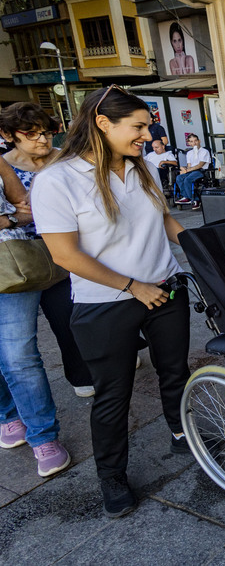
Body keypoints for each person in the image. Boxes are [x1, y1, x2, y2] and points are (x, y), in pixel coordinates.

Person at [33, 85, 192, 519]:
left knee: (175, 371)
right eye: (137, 127)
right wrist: (131, 286)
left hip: (165, 287)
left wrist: (205, 251)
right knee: (113, 394)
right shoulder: (57, 180)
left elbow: (164, 219)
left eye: (147, 126)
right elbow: (65, 255)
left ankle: (184, 434)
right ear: (103, 123)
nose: (147, 134)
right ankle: (112, 476)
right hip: (104, 302)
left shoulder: (143, 168)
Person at [1, 103, 95, 399]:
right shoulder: (5, 167)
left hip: (73, 249)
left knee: (73, 318)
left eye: (46, 132)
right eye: (31, 133)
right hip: (25, 255)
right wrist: (18, 215)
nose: (42, 140)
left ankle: (88, 371)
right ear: (8, 134)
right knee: (31, 338)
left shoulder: (67, 160)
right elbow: (17, 211)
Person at [0, 142, 73, 478]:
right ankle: (7, 415)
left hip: (9, 266)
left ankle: (42, 436)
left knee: (19, 354)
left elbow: (22, 206)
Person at [174, 134, 210, 209]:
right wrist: (184, 169)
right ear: (189, 143)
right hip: (191, 170)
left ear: (199, 141)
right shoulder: (189, 153)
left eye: (195, 141)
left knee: (188, 179)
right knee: (179, 178)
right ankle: (186, 196)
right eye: (191, 142)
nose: (194, 143)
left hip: (201, 171)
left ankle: (195, 200)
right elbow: (189, 165)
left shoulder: (204, 151)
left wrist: (187, 170)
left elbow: (200, 165)